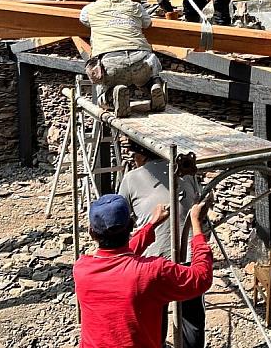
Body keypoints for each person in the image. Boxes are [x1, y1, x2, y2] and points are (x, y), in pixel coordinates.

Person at [73, 194, 213, 348]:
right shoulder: (151, 272)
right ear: (131, 224)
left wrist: (151, 225)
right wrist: (197, 225)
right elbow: (202, 277)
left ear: (91, 232)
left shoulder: (82, 269)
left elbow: (119, 257)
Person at [119, 144, 204, 348]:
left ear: (141, 155)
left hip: (153, 261)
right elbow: (200, 205)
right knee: (191, 316)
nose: (133, 159)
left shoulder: (132, 178)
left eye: (134, 154)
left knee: (154, 314)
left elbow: (121, 218)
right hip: (187, 256)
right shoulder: (185, 172)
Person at [80, 0, 165, 117]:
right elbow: (147, 23)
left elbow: (84, 20)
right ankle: (153, 86)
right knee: (148, 75)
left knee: (102, 91)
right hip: (142, 61)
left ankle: (112, 95)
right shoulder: (135, 6)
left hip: (111, 64)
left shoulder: (90, 9)